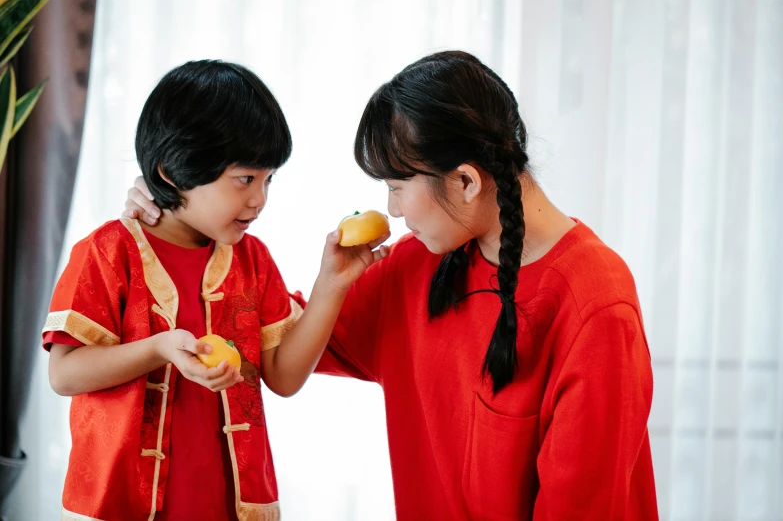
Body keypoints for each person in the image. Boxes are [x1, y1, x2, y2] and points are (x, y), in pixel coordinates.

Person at [126, 51, 659, 520]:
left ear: (467, 181)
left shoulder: (595, 305)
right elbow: (268, 342)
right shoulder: (416, 267)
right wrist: (175, 222)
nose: (392, 211)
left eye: (397, 187)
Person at [44, 60, 388, 521]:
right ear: (171, 173)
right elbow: (64, 374)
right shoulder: (107, 253)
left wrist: (332, 283)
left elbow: (283, 378)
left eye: (268, 179)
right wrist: (160, 349)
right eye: (245, 179)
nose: (259, 198)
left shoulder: (253, 259)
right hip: (120, 504)